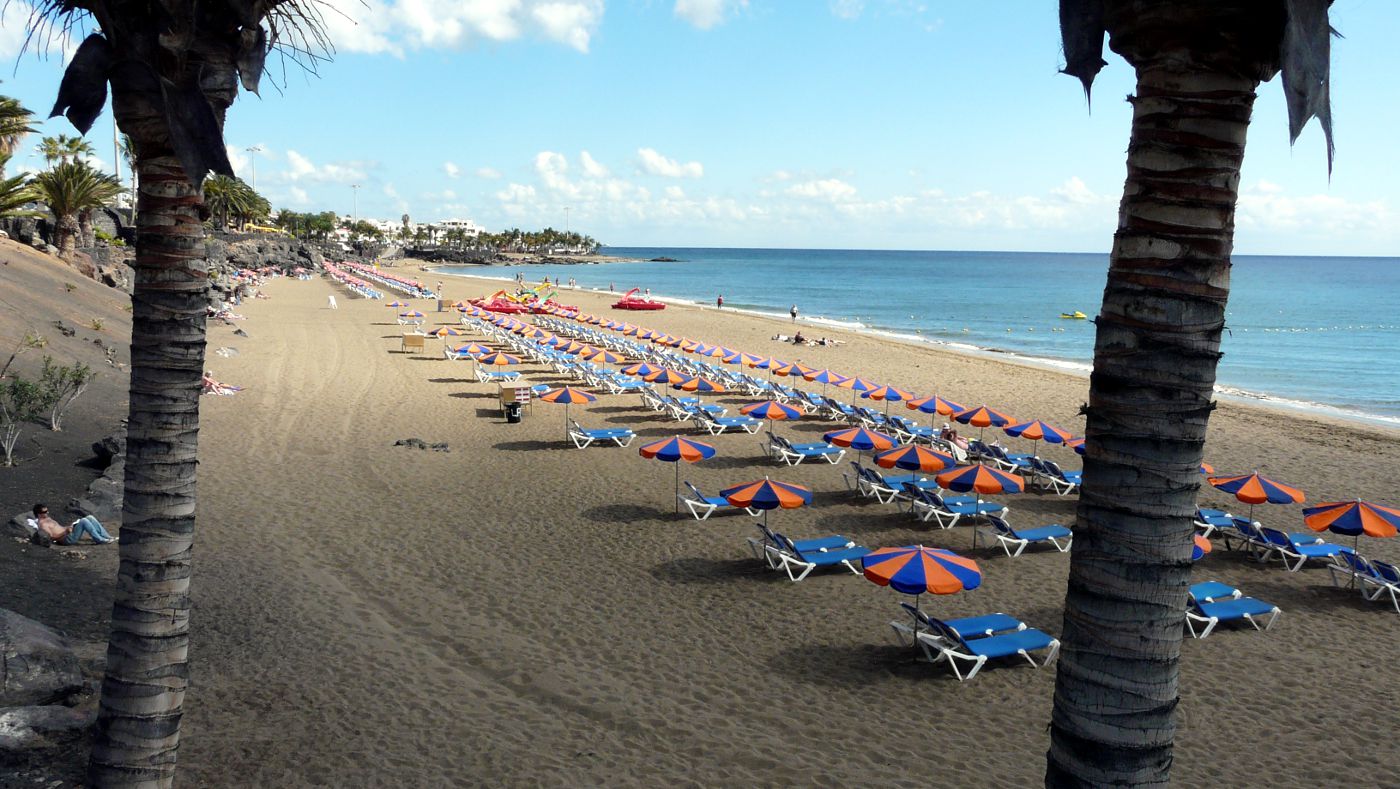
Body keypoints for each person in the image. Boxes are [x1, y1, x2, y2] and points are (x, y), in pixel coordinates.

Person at [28, 504, 115, 545]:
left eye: (47, 510)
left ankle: (107, 536)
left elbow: (58, 528)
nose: (47, 512)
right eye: (45, 512)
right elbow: (51, 537)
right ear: (39, 514)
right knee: (84, 521)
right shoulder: (42, 525)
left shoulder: (47, 518)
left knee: (90, 517)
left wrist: (69, 526)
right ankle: (100, 540)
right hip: (66, 539)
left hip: (68, 532)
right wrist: (65, 532)